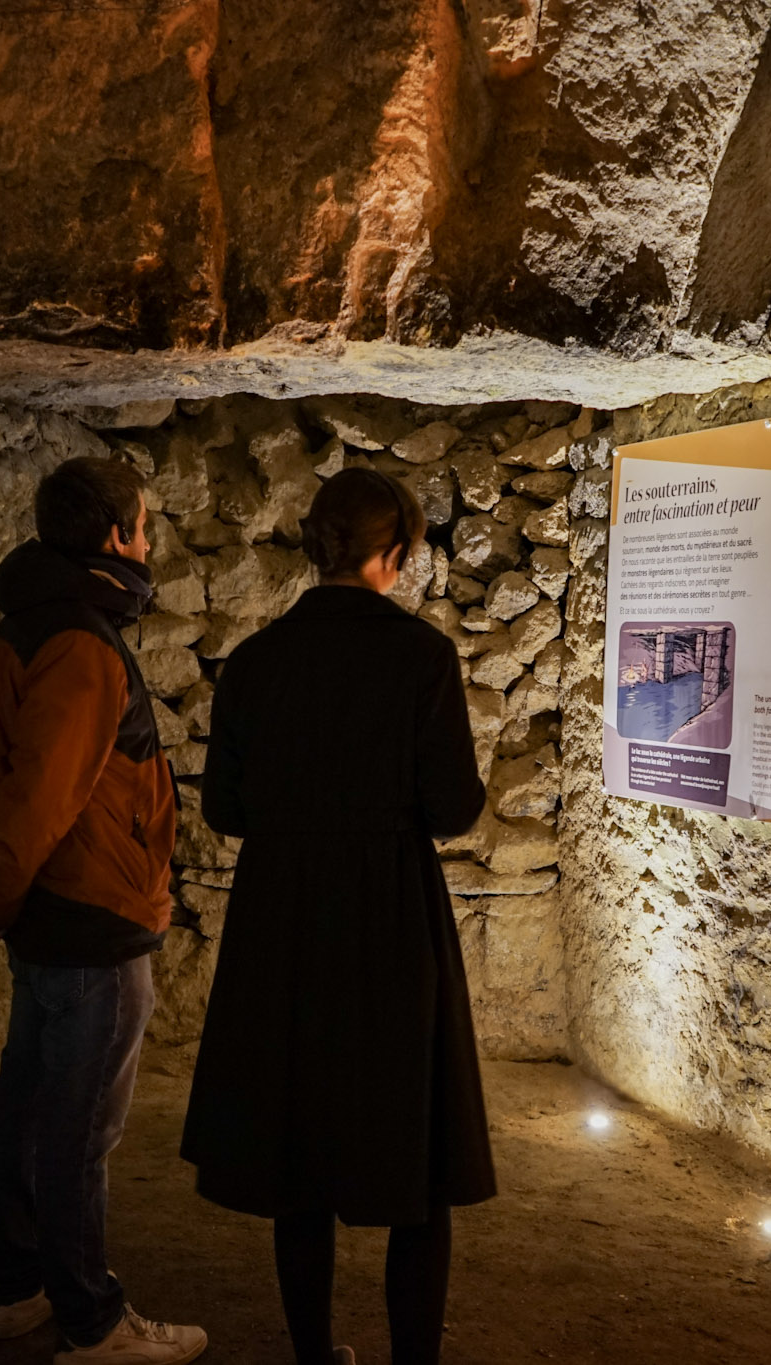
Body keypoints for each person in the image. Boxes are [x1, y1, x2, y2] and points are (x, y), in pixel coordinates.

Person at [181, 467, 493, 1365]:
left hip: (283, 918)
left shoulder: (255, 661)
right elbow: (453, 806)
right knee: (416, 1158)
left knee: (297, 1153)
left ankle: (314, 1353)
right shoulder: (422, 657)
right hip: (392, 916)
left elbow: (226, 809)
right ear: (390, 555)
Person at [0, 457, 207, 1365]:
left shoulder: (30, 626)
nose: (149, 539)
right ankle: (92, 1320)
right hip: (90, 916)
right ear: (112, 536)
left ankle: (19, 1288)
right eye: (142, 525)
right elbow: (38, 800)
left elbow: (14, 790)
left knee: (27, 1107)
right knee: (78, 1127)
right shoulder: (82, 643)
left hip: (56, 914)